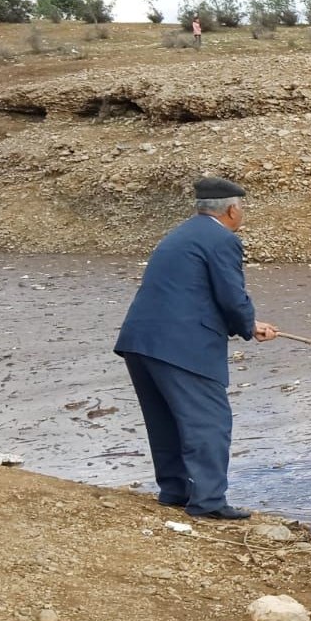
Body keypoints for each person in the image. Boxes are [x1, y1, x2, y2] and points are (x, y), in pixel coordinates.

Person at [113, 177, 278, 520]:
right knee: (209, 422)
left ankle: (175, 490)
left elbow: (190, 291)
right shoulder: (222, 239)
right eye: (241, 208)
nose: (242, 214)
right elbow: (231, 296)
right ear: (232, 210)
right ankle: (208, 502)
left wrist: (249, 324)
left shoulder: (181, 234)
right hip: (181, 346)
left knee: (165, 420)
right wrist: (247, 324)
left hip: (140, 341)